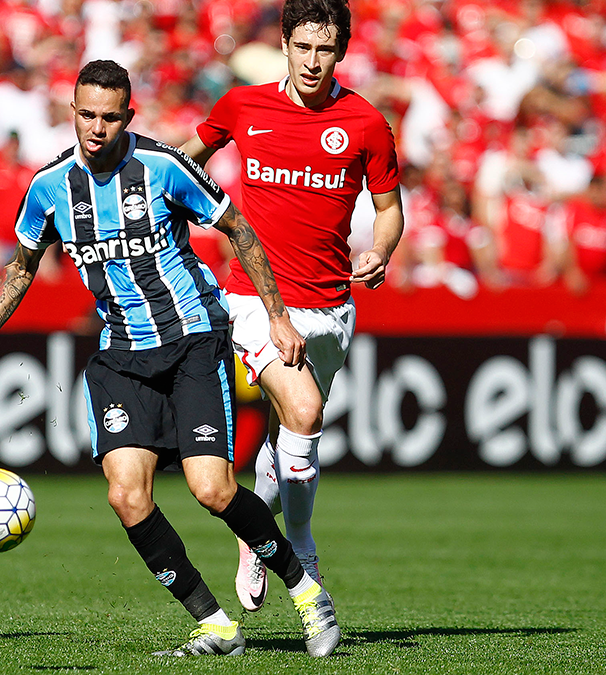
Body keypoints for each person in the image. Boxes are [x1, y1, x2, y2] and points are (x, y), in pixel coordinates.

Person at [0, 60, 340, 658]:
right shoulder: (49, 186)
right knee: (125, 496)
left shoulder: (164, 166)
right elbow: (21, 265)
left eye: (110, 117)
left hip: (192, 341)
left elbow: (237, 227)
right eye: (87, 114)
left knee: (211, 490)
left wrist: (276, 314)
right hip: (120, 356)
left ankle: (306, 589)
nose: (97, 128)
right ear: (72, 112)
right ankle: (214, 623)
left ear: (127, 117)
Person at [180, 0, 404, 615]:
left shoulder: (364, 123)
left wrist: (381, 252)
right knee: (303, 413)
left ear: (341, 51)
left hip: (331, 305)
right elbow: (178, 165)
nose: (312, 61)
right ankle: (299, 548)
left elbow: (390, 212)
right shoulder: (243, 105)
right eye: (302, 47)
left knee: (291, 432)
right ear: (283, 43)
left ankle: (258, 537)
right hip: (256, 299)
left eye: (324, 49)